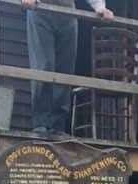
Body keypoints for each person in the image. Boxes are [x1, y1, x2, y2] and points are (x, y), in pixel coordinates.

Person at [21, 0, 114, 134]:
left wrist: (100, 8)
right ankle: (41, 122)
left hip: (67, 12)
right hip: (40, 9)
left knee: (65, 70)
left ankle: (57, 125)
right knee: (44, 66)